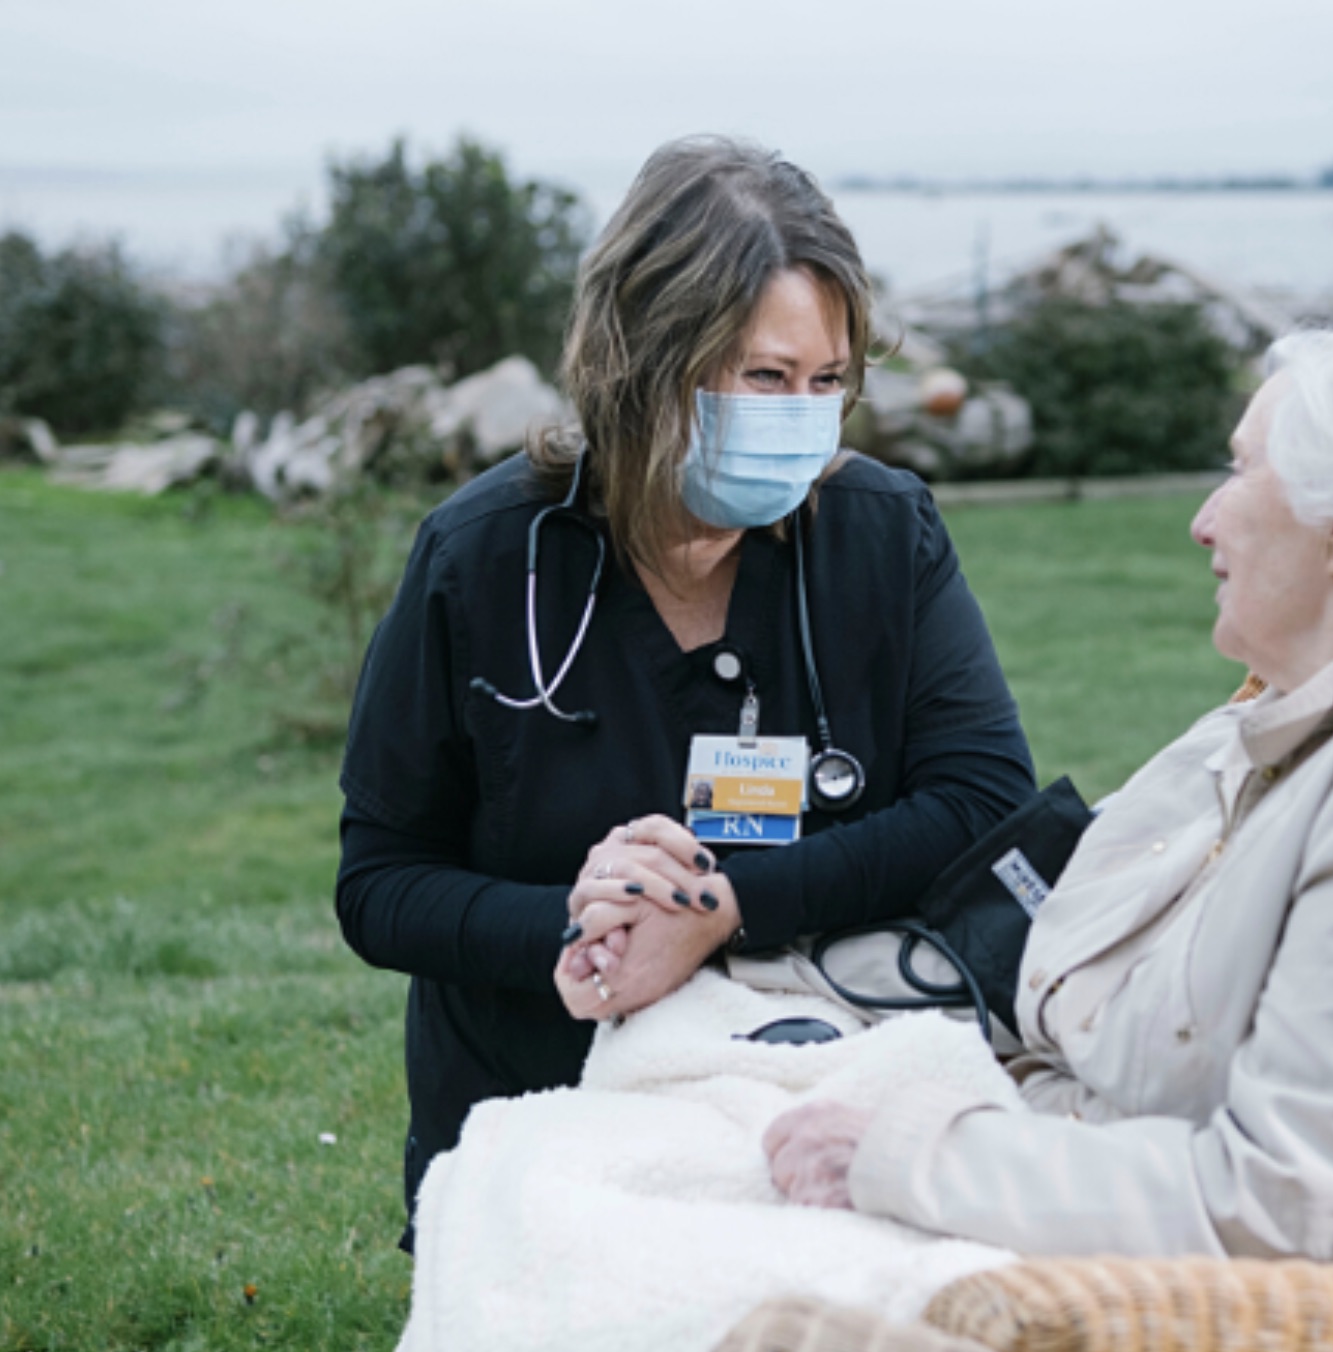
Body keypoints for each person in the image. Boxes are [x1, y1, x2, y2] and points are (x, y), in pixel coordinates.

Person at [764, 317, 1333, 1263]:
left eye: (1239, 473)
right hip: (1060, 1170)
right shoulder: (1305, 722)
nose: (1203, 521)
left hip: (1235, 1343)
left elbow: (1294, 1207)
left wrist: (907, 1158)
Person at [336, 137, 1035, 1245]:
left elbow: (984, 800)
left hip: (812, 1119)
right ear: (644, 359)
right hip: (538, 1120)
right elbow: (379, 883)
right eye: (764, 376)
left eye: (826, 382)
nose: (802, 418)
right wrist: (573, 927)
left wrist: (715, 913)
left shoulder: (878, 534)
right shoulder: (483, 558)